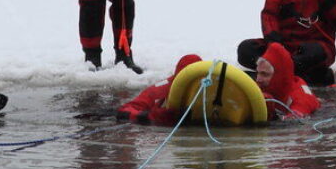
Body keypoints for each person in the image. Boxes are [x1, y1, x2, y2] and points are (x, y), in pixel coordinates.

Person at [117, 46, 318, 124]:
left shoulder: (299, 92)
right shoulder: (164, 87)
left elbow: (296, 118)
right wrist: (150, 117)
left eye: (265, 75)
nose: (258, 79)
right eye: (258, 74)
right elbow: (125, 111)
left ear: (280, 75)